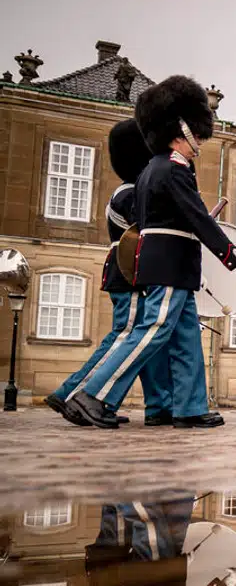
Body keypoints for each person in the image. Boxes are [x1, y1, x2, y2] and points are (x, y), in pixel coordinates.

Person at [65, 76, 236, 429]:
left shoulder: (156, 169)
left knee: (185, 340)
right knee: (152, 331)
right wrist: (234, 257)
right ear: (181, 127)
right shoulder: (171, 169)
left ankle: (189, 407)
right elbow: (198, 219)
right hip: (168, 263)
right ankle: (94, 394)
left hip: (176, 264)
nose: (200, 138)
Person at [45, 119, 172, 427]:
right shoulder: (130, 193)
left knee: (144, 343)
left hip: (129, 268)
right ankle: (72, 392)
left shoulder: (126, 191)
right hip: (130, 269)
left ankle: (160, 404)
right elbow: (147, 232)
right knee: (125, 337)